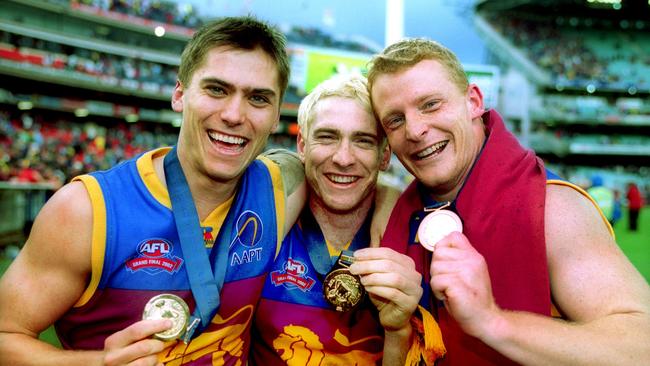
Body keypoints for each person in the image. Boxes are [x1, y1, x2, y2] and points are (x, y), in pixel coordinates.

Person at [0, 16, 307, 365]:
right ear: (180, 94)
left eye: (258, 98)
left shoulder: (281, 190)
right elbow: (5, 337)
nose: (234, 114)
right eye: (216, 89)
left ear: (278, 113)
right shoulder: (88, 209)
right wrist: (96, 364)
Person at [367, 38, 650, 365]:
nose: (415, 130)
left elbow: (641, 345)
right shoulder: (397, 215)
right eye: (395, 120)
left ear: (473, 102)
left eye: (430, 104)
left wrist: (492, 321)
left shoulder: (551, 207)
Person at [250, 74, 438, 365]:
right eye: (327, 137)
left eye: (363, 141)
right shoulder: (266, 223)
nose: (343, 158)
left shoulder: (412, 245)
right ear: (302, 145)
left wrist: (398, 331)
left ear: (384, 155)